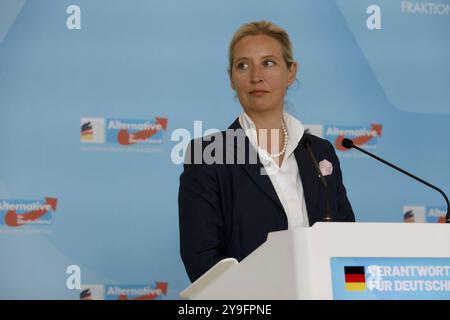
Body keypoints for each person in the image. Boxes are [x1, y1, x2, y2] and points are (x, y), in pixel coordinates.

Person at [178, 21, 355, 282]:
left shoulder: (319, 151)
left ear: (291, 72)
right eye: (243, 65)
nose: (256, 76)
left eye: (269, 63)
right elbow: (201, 260)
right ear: (231, 78)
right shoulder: (207, 155)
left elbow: (346, 241)